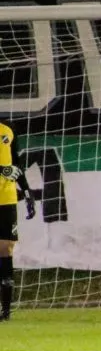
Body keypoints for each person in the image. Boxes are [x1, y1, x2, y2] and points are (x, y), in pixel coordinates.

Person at [0, 119, 36, 322]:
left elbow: (15, 162)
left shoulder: (8, 128)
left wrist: (27, 189)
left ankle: (5, 311)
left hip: (6, 198)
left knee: (5, 248)